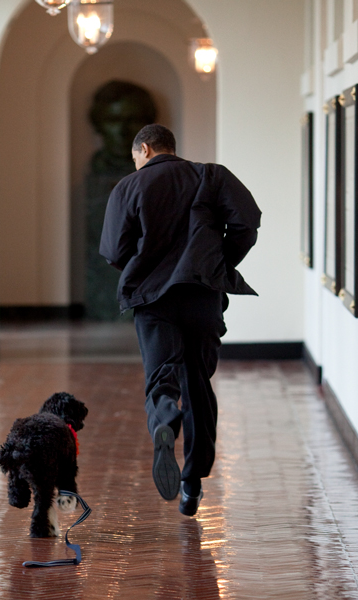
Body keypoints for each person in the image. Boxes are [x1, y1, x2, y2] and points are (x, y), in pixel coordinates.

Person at [99, 124, 261, 516]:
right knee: (198, 383)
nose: (135, 163)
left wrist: (143, 265)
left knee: (161, 375)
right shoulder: (211, 175)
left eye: (135, 156)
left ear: (146, 149)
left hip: (154, 298)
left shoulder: (128, 187)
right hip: (202, 294)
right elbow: (247, 222)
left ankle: (165, 420)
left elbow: (113, 249)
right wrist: (216, 261)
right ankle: (192, 483)